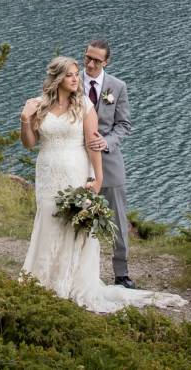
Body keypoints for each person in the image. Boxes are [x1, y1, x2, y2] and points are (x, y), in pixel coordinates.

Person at [18, 56, 184, 313]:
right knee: (48, 221)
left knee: (73, 224)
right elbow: (29, 143)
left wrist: (97, 179)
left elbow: (93, 145)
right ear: (57, 78)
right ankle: (44, 278)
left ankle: (70, 280)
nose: (76, 78)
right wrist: (25, 119)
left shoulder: (84, 105)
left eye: (76, 74)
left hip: (75, 171)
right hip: (48, 174)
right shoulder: (38, 105)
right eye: (71, 74)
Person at [79, 38, 134, 286]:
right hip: (76, 158)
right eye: (87, 58)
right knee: (76, 212)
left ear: (106, 62)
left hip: (110, 161)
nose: (90, 64)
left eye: (96, 60)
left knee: (118, 218)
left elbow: (124, 125)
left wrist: (107, 142)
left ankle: (121, 273)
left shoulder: (118, 87)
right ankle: (75, 268)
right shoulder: (71, 81)